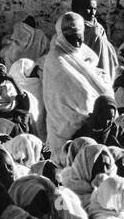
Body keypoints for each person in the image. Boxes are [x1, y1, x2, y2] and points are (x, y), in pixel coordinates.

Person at [42, 12, 114, 152]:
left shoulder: (80, 53)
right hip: (66, 128)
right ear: (62, 36)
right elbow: (79, 93)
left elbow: (95, 75)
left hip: (93, 123)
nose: (76, 43)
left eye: (79, 38)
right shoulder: (56, 60)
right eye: (71, 38)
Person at [72, 0, 119, 83]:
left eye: (94, 9)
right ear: (77, 9)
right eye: (88, 8)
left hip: (105, 72)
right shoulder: (73, 29)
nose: (93, 13)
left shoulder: (98, 27)